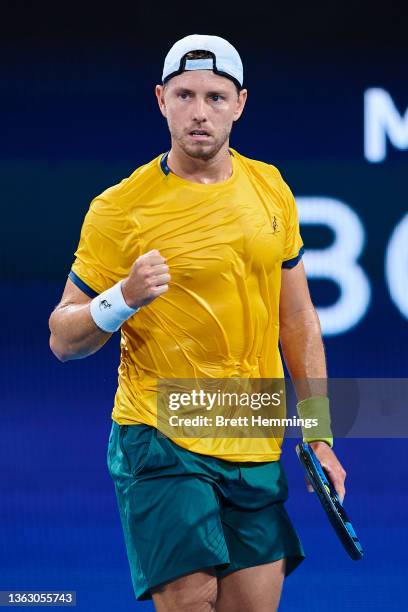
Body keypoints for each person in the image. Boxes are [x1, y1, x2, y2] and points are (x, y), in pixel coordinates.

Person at [49, 34, 346, 612]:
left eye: (215, 96)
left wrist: (320, 432)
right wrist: (122, 297)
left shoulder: (271, 189)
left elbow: (299, 320)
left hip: (250, 426)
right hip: (161, 436)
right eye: (185, 95)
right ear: (161, 100)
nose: (199, 112)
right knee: (189, 603)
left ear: (240, 103)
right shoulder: (119, 208)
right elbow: (63, 338)